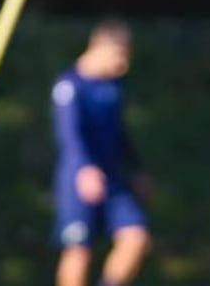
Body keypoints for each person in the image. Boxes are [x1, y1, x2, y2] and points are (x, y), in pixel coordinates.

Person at [51, 21, 151, 286]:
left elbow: (120, 133)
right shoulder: (69, 86)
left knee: (135, 236)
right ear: (100, 48)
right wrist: (84, 169)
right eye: (120, 55)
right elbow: (69, 134)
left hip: (114, 177)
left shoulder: (114, 87)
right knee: (78, 250)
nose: (124, 64)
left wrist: (137, 169)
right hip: (78, 178)